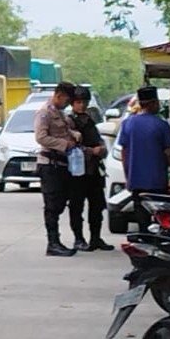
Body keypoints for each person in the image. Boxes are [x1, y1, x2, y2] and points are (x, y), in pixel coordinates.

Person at [120, 85, 170, 229]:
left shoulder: (127, 123)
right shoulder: (160, 125)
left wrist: (128, 177)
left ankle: (143, 240)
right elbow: (169, 153)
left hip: (136, 181)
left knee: (141, 217)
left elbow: (124, 153)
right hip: (157, 181)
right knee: (162, 218)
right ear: (153, 103)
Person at [34, 81, 84, 257]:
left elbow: (65, 131)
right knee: (52, 205)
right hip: (50, 164)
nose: (67, 103)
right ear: (59, 95)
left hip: (63, 164)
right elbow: (41, 138)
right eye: (67, 99)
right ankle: (53, 243)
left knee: (62, 202)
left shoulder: (60, 113)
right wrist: (64, 144)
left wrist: (74, 135)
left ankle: (56, 242)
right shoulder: (45, 113)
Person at [67, 86, 113, 251]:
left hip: (94, 169)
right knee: (76, 206)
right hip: (78, 170)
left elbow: (98, 139)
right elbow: (70, 146)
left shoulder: (90, 118)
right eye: (78, 102)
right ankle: (78, 238)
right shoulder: (69, 121)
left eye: (84, 102)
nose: (82, 105)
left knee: (97, 205)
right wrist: (90, 151)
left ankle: (96, 237)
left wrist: (100, 149)